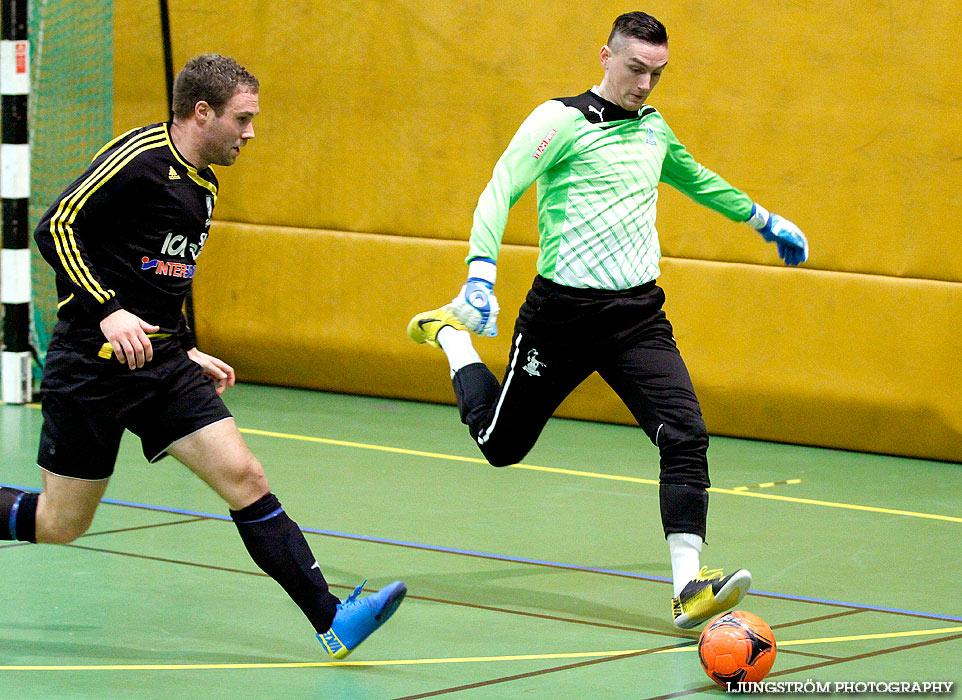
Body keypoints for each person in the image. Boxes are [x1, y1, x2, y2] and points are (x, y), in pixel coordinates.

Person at [407, 11, 808, 629]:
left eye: (657, 73)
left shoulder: (653, 131)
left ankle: (688, 588)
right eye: (635, 69)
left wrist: (762, 219)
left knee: (685, 434)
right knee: (500, 447)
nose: (645, 85)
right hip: (561, 318)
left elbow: (696, 179)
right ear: (606, 56)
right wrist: (480, 272)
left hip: (637, 316)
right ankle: (454, 340)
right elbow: (500, 188)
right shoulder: (559, 121)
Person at [0, 54, 405, 658]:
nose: (250, 133)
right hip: (92, 364)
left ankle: (332, 618)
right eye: (242, 119)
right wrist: (107, 307)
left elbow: (171, 274)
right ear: (201, 111)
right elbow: (55, 226)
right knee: (62, 523)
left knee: (245, 476)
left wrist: (186, 347)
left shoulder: (205, 184)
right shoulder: (137, 160)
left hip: (162, 368)